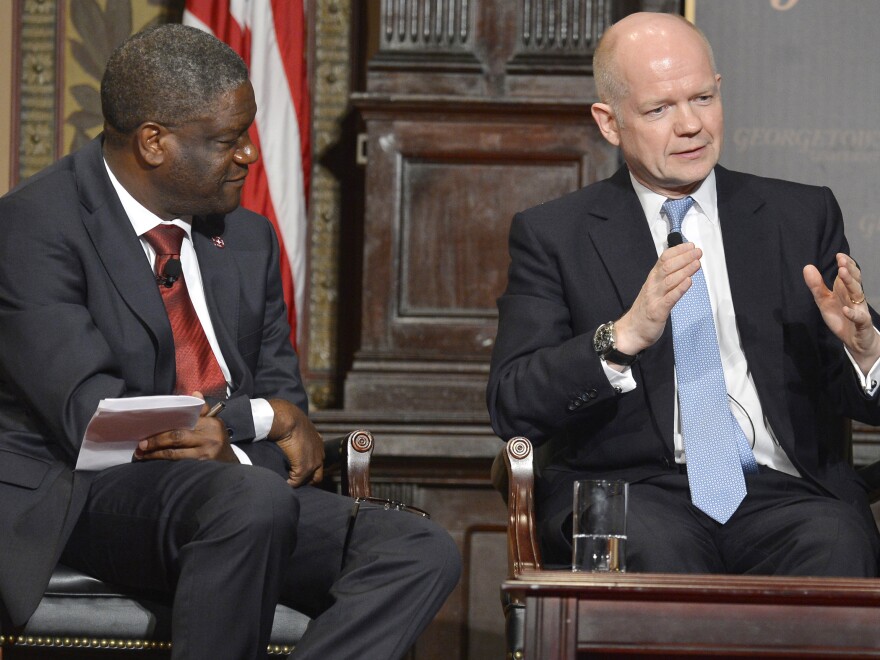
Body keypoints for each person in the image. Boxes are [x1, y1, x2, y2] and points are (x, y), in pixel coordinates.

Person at [0, 24, 460, 660]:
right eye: (227, 140)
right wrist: (257, 419)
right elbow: (96, 422)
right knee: (249, 501)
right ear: (154, 143)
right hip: (86, 494)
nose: (248, 155)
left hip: (238, 491)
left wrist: (247, 447)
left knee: (419, 549)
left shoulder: (246, 238)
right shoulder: (34, 226)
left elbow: (287, 412)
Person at [487, 11, 880, 576]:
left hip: (779, 494)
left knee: (837, 542)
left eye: (701, 99)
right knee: (656, 553)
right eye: (659, 109)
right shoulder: (556, 235)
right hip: (635, 492)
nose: (691, 125)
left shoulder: (798, 216)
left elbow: (861, 399)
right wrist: (620, 338)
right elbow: (512, 403)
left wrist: (865, 353)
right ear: (609, 121)